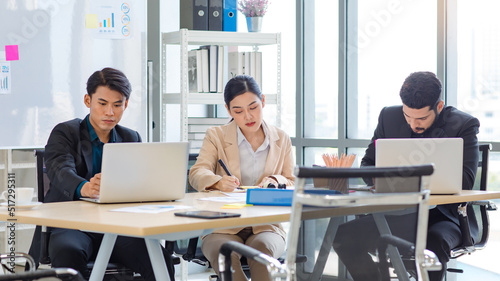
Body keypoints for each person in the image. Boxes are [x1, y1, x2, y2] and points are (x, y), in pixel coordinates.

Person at [333, 71, 480, 281]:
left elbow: (465, 180)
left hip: (444, 216)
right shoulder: (388, 117)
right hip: (399, 214)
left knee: (431, 243)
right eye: (407, 116)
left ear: (439, 107)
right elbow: (368, 163)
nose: (413, 125)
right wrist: (380, 182)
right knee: (344, 237)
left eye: (421, 118)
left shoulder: (463, 125)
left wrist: (407, 180)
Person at [40, 67, 174, 280]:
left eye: (117, 105)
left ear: (126, 105)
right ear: (87, 100)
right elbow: (59, 169)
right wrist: (85, 187)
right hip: (73, 225)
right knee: (69, 253)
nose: (110, 112)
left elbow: (139, 182)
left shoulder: (130, 137)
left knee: (160, 259)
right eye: (102, 104)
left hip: (117, 226)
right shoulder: (65, 132)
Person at [189, 75, 295, 281]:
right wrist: (217, 181)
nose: (248, 116)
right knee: (225, 255)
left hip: (267, 225)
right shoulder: (216, 135)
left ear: (263, 101)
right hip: (222, 225)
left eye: (253, 107)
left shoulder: (281, 139)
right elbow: (196, 173)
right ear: (229, 111)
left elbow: (291, 180)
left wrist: (276, 180)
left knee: (262, 254)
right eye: (238, 111)